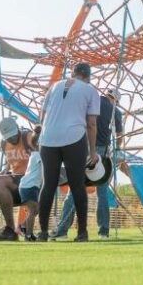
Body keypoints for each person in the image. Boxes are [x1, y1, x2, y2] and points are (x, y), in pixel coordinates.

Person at [37, 61, 100, 242]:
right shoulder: (90, 90)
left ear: (73, 73)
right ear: (88, 76)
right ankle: (82, 233)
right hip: (74, 137)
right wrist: (93, 151)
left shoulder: (54, 86)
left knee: (48, 185)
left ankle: (42, 232)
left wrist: (44, 131)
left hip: (48, 139)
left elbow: (42, 115)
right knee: (77, 184)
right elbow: (92, 123)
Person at [51, 86, 124, 240]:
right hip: (103, 153)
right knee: (102, 193)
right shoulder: (115, 112)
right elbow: (119, 134)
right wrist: (117, 148)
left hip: (83, 149)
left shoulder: (92, 103)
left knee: (74, 191)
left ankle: (62, 231)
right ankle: (103, 231)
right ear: (116, 100)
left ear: (106, 94)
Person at [17, 126, 43, 240]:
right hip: (29, 186)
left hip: (29, 186)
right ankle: (28, 235)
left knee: (36, 209)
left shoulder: (35, 154)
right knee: (33, 209)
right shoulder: (38, 155)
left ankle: (23, 225)